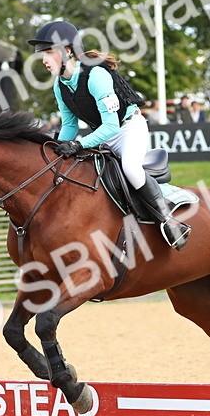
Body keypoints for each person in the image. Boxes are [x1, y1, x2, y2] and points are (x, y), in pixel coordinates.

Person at [28, 20, 190, 250]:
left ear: (67, 51)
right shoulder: (60, 85)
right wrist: (58, 149)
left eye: (48, 53)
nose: (43, 60)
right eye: (42, 54)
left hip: (128, 130)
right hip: (102, 135)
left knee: (131, 169)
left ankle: (169, 222)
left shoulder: (96, 75)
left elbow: (112, 127)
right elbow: (70, 125)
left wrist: (78, 145)